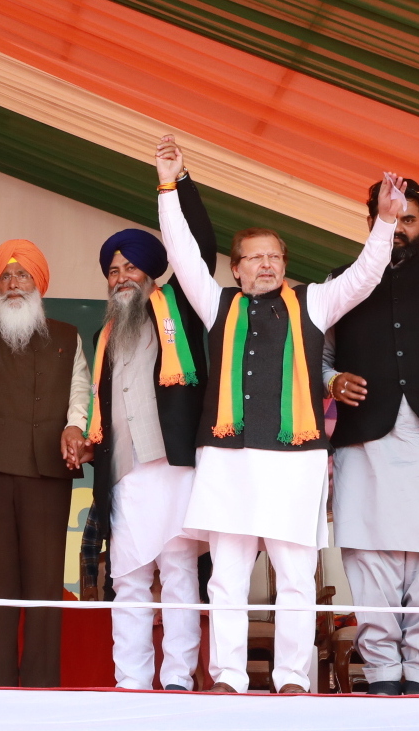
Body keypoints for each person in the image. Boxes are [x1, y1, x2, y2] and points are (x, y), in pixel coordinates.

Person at [156, 134, 398, 694]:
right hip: (227, 458)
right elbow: (184, 253)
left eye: (274, 256)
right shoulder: (215, 303)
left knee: (294, 578)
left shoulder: (314, 301)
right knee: (229, 579)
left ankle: (292, 679)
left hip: (295, 460)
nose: (265, 265)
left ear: (285, 266)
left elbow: (364, 275)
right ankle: (228, 677)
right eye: (253, 258)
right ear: (235, 269)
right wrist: (168, 185)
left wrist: (384, 224)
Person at [0, 171, 89, 688]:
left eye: (22, 276)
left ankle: (42, 687)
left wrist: (75, 429)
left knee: (47, 587)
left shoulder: (69, 336)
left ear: (39, 284)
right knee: (0, 586)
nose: (12, 284)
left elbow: (80, 397)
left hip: (51, 473)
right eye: (5, 278)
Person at [85, 154, 215, 691]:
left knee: (181, 577)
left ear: (151, 270)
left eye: (130, 267)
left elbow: (200, 247)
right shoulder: (108, 333)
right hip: (126, 475)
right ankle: (132, 681)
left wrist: (176, 183)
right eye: (113, 271)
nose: (121, 278)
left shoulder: (179, 305)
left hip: (175, 465)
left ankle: (180, 680)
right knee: (129, 579)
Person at [325, 177, 419, 696]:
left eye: (409, 220)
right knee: (369, 555)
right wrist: (332, 382)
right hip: (366, 440)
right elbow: (320, 358)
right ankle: (383, 677)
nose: (401, 229)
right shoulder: (344, 281)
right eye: (392, 219)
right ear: (371, 222)